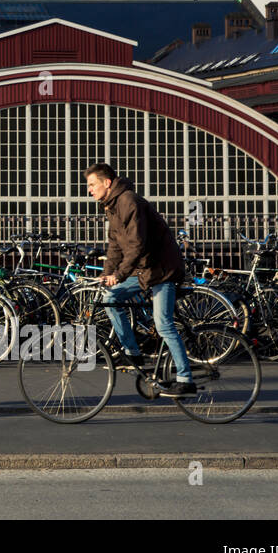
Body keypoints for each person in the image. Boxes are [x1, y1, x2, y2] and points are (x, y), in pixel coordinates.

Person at [84, 162, 194, 396]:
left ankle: (185, 379)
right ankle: (132, 352)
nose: (89, 190)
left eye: (92, 184)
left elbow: (136, 244)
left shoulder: (128, 202)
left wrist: (120, 275)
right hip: (144, 270)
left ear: (107, 183)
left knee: (163, 323)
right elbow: (115, 247)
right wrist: (106, 275)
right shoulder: (111, 206)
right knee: (111, 297)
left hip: (161, 270)